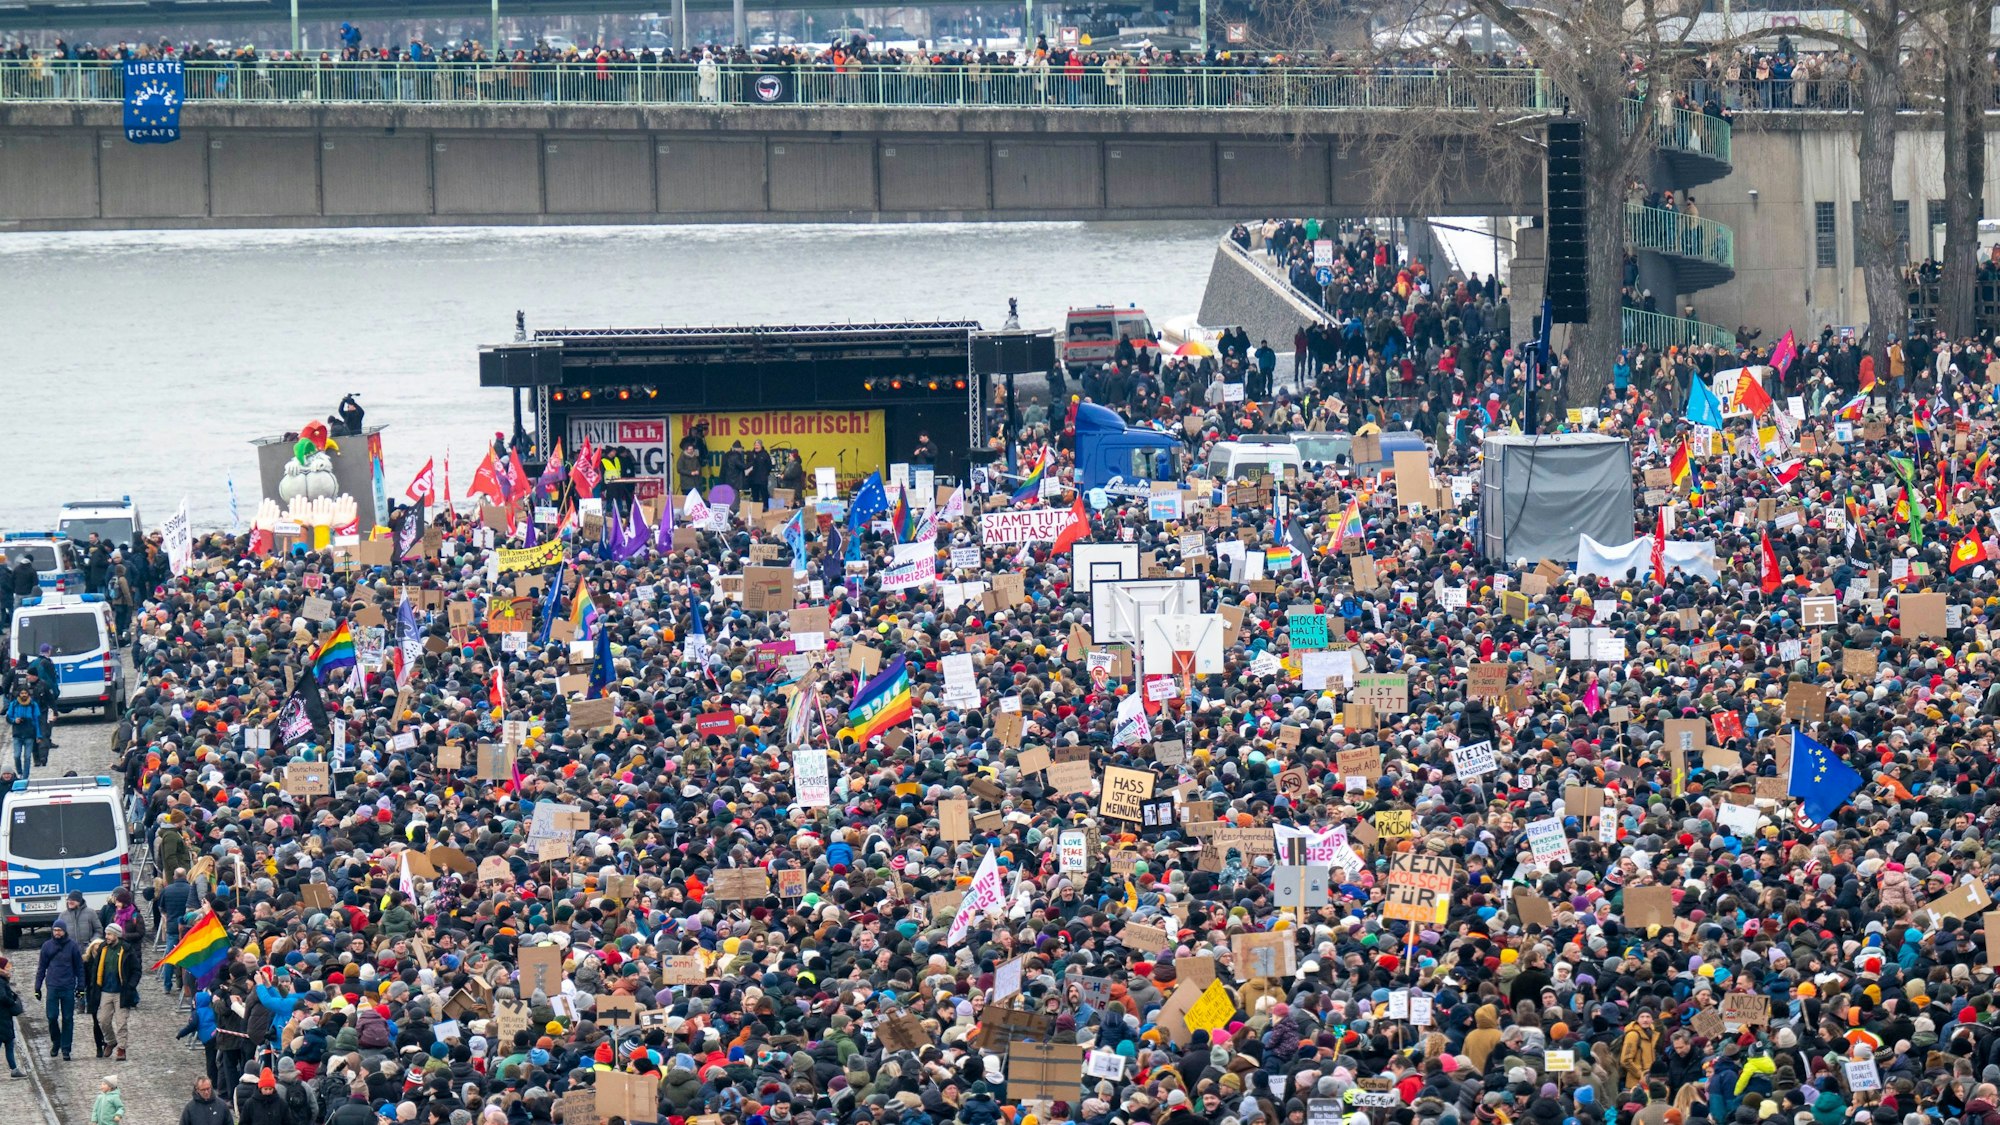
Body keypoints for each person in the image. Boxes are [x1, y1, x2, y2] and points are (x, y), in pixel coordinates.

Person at [83, 922, 139, 1061]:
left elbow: (136, 970)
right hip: (105, 991)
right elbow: (96, 969)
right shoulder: (103, 949)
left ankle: (121, 1049)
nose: (106, 937)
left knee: (121, 1022)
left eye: (109, 934)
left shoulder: (126, 949)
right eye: (106, 934)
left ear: (116, 935)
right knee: (102, 1020)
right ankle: (111, 1041)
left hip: (122, 992)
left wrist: (131, 985)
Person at [36, 917, 83, 1061]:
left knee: (68, 1018)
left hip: (68, 986)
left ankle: (66, 1048)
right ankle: (56, 1042)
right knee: (51, 1017)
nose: (57, 932)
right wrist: (37, 987)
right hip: (52, 986)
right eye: (55, 930)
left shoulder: (73, 946)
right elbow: (41, 967)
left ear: (64, 931)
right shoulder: (47, 946)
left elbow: (79, 968)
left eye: (59, 930)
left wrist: (80, 986)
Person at [4, 690, 35, 779]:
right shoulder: (14, 704)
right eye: (22, 693)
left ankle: (25, 776)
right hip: (17, 734)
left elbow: (36, 720)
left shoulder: (32, 704)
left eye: (25, 693)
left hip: (29, 734)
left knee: (27, 757)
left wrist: (38, 735)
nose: (24, 695)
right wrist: (15, 720)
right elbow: (8, 717)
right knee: (16, 756)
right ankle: (20, 772)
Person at [0, 958, 21, 1078]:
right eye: (7, 966)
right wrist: (12, 1002)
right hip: (2, 1017)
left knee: (9, 1043)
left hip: (4, 1017)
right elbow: (2, 996)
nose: (9, 968)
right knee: (8, 1042)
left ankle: (14, 1069)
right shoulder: (1, 981)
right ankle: (14, 1069)